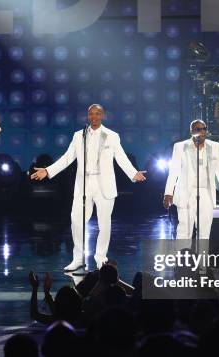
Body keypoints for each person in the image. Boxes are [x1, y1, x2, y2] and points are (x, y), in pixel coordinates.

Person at [30, 104, 146, 271]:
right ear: (87, 116)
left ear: (103, 115)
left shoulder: (112, 136)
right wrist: (48, 171)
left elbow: (120, 157)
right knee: (76, 221)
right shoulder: (79, 136)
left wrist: (133, 173)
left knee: (104, 224)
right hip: (84, 185)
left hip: (104, 185)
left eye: (97, 114)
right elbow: (67, 158)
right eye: (91, 114)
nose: (94, 117)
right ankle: (78, 258)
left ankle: (100, 257)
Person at [163, 119, 219, 244]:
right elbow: (173, 172)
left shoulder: (214, 146)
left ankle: (202, 262)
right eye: (198, 129)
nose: (202, 132)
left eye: (204, 129)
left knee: (204, 231)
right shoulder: (180, 147)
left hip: (206, 193)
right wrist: (168, 193)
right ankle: (183, 261)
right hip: (186, 193)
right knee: (185, 231)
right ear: (192, 131)